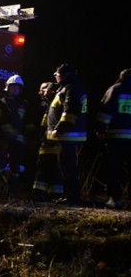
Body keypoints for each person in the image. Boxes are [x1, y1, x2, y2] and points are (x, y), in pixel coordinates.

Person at [46, 63, 88, 206]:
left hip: (68, 134)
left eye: (57, 75)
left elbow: (69, 112)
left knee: (68, 167)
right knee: (67, 166)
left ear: (62, 75)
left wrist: (59, 128)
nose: (56, 77)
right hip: (69, 134)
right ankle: (69, 195)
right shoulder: (71, 87)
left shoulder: (71, 88)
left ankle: (72, 197)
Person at [95, 68, 131, 210]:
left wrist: (100, 129)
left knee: (115, 168)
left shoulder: (115, 89)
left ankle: (115, 199)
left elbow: (105, 111)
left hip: (116, 136)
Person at [31, 81, 64, 201]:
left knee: (50, 169)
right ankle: (45, 194)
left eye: (46, 90)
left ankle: (47, 194)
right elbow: (42, 125)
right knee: (46, 169)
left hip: (51, 142)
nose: (44, 92)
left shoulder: (54, 105)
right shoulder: (48, 105)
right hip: (48, 142)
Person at [0, 75, 29, 197]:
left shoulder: (23, 104)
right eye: (13, 88)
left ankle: (12, 191)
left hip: (19, 141)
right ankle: (0, 189)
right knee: (0, 165)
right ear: (8, 88)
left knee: (15, 167)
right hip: (4, 140)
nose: (15, 90)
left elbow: (26, 122)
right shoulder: (2, 103)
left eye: (17, 88)